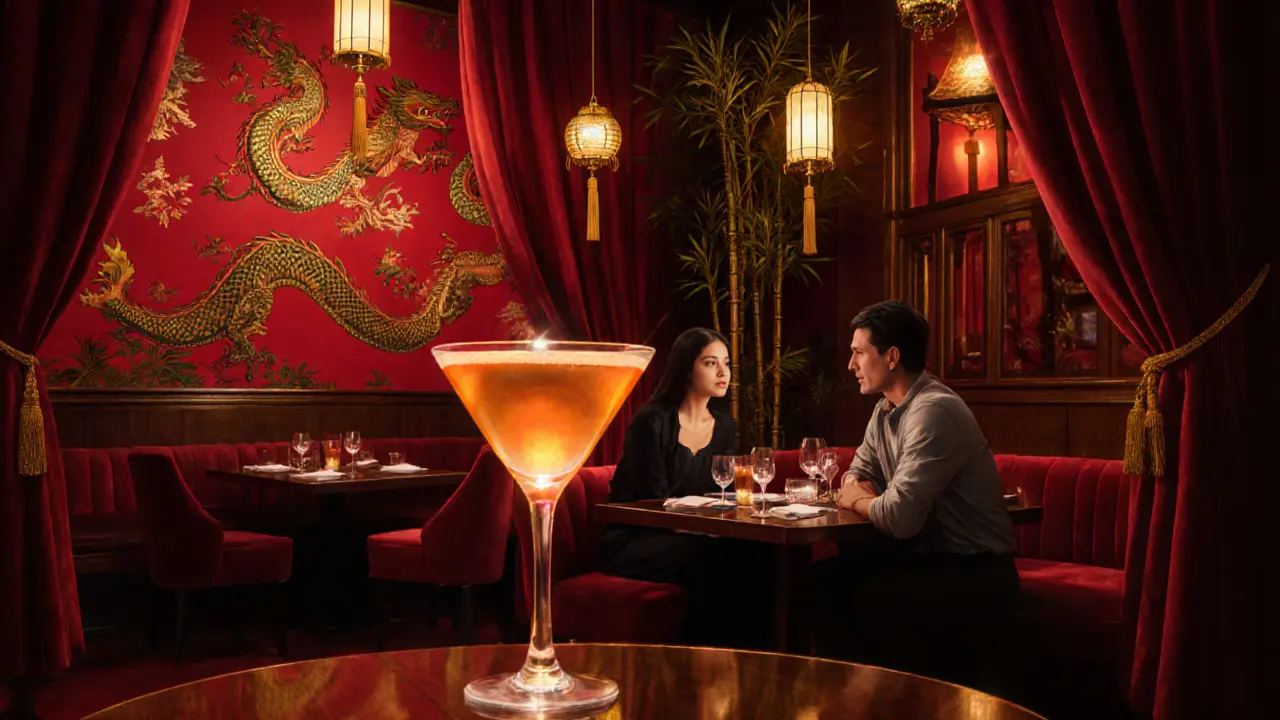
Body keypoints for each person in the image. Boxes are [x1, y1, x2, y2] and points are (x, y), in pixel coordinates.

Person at [818, 300, 1018, 687]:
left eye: (859, 352)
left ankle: (891, 706)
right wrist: (860, 492)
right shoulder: (884, 411)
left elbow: (899, 517)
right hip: (928, 559)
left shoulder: (934, 410)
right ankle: (850, 707)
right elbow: (855, 472)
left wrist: (857, 500)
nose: (850, 364)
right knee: (824, 581)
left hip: (976, 572)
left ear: (891, 356)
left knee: (867, 597)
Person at [598, 327, 745, 643]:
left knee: (756, 552)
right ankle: (705, 662)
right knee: (716, 556)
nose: (723, 372)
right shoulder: (652, 421)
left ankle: (757, 662)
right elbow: (653, 502)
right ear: (686, 369)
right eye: (710, 363)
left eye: (726, 363)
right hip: (636, 539)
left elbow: (725, 493)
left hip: (694, 536)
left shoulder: (724, 427)